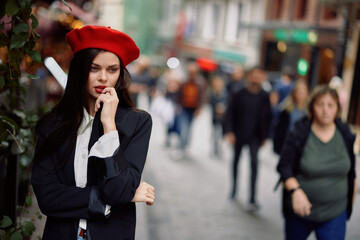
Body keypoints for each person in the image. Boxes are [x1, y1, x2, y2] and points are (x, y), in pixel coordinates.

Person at [31, 25, 155, 240]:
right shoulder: (51, 125)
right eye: (94, 68)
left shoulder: (137, 123)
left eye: (112, 70)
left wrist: (109, 126)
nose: (103, 78)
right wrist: (120, 196)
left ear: (120, 73)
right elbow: (47, 198)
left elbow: (117, 191)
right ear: (80, 69)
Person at [276, 85, 357, 240]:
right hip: (300, 213)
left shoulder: (345, 133)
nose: (325, 110)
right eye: (320, 104)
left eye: (330, 105)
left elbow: (351, 170)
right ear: (312, 107)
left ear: (337, 109)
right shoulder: (300, 131)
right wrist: (295, 191)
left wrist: (350, 199)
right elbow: (284, 166)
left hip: (335, 212)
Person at [224, 66, 272, 210]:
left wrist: (266, 136)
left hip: (255, 136)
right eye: (254, 75)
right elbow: (230, 113)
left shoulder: (264, 95)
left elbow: (268, 117)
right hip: (239, 133)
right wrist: (229, 132)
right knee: (236, 161)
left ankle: (252, 197)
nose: (256, 78)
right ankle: (233, 190)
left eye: (259, 75)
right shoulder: (238, 92)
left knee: (254, 164)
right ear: (249, 76)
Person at [273, 80, 309, 154]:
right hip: (288, 144)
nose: (301, 95)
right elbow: (279, 130)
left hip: (302, 146)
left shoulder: (309, 112)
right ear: (294, 94)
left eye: (303, 93)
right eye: (299, 92)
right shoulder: (287, 110)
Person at [209, 75, 227, 158]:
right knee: (216, 134)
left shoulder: (225, 93)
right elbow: (211, 103)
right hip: (216, 118)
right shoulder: (213, 93)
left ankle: (219, 148)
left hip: (224, 118)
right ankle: (216, 149)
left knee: (221, 134)